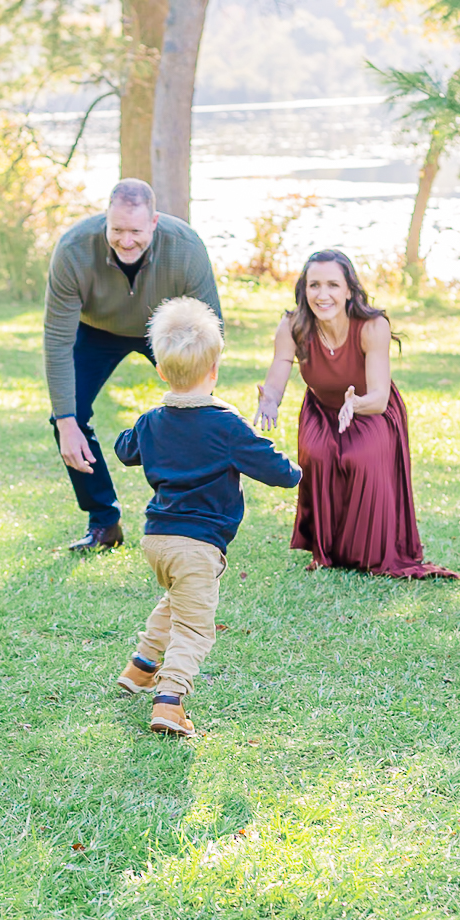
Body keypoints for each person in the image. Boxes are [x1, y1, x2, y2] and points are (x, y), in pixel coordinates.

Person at [113, 297, 301, 736]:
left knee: (176, 603)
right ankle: (169, 700)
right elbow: (278, 471)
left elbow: (125, 450)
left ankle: (141, 667)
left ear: (161, 371)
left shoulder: (151, 421)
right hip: (198, 545)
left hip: (157, 540)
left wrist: (144, 425)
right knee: (195, 628)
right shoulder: (228, 426)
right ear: (214, 369)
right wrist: (297, 470)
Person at [254, 249, 457, 579]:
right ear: (304, 290)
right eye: (314, 285)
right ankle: (327, 551)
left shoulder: (372, 326)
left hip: (371, 411)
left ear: (349, 290)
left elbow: (378, 397)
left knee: (360, 458)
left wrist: (355, 405)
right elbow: (279, 368)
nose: (323, 295)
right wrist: (270, 400)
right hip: (320, 410)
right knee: (317, 456)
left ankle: (368, 553)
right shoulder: (293, 325)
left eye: (333, 285)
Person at [44, 177, 222, 552]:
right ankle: (104, 523)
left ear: (154, 222)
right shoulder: (73, 249)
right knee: (68, 415)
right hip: (96, 330)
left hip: (167, 327)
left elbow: (210, 329)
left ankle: (197, 518)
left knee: (197, 413)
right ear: (104, 220)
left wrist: (203, 394)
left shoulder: (186, 247)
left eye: (136, 231)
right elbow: (58, 340)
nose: (126, 240)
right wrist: (65, 422)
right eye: (117, 229)